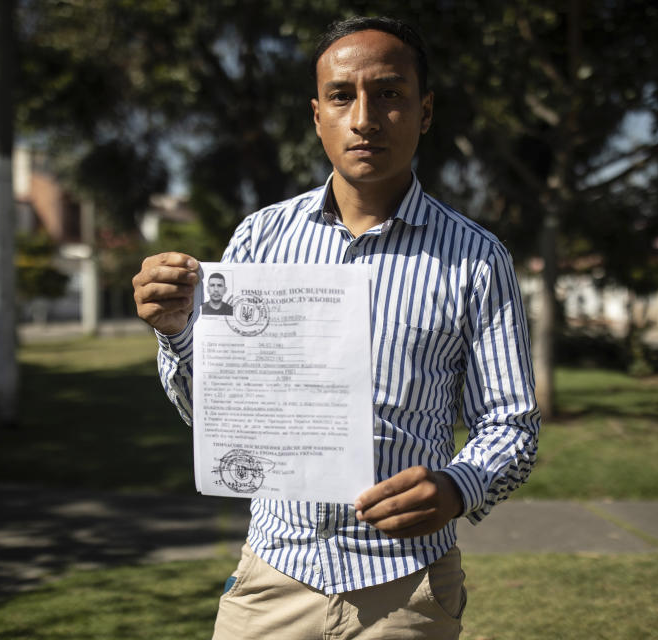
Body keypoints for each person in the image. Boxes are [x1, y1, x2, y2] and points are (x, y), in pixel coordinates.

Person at [132, 16, 539, 639]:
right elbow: (214, 416)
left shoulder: (478, 259)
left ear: (425, 111)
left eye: (391, 94)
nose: (366, 117)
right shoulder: (259, 239)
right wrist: (177, 332)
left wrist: (459, 486)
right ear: (317, 112)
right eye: (343, 95)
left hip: (407, 587)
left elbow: (511, 423)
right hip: (273, 576)